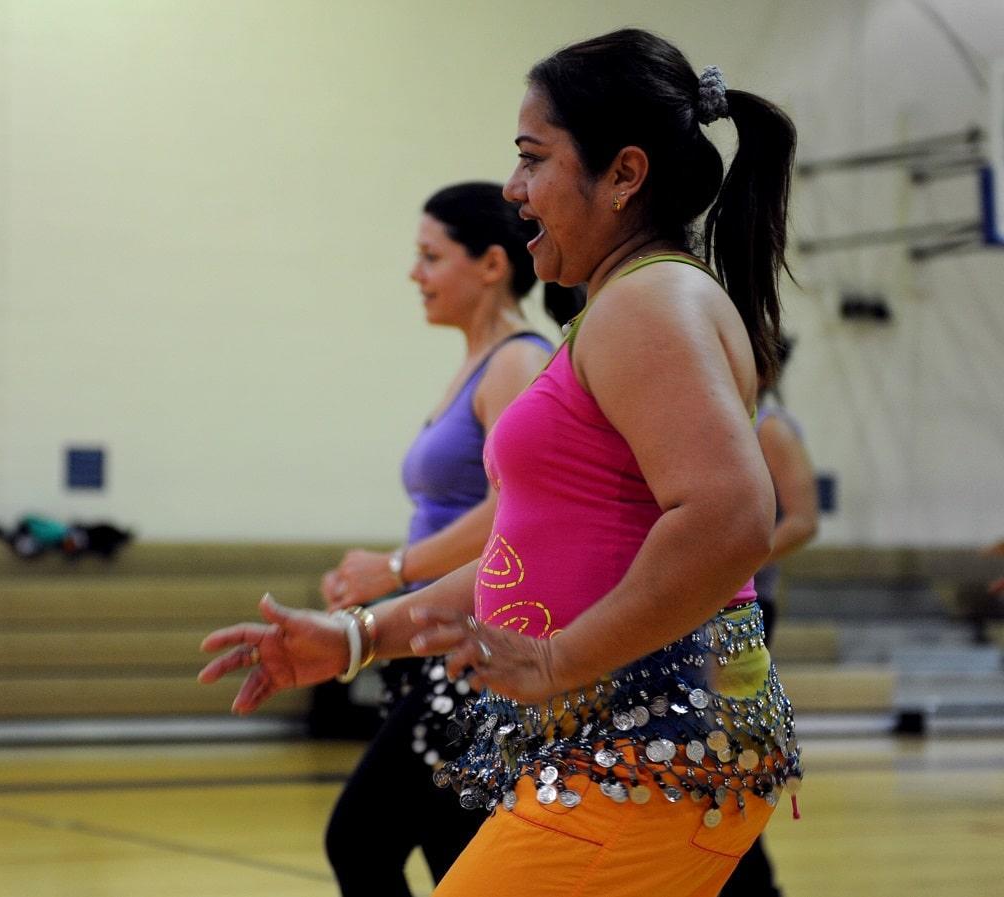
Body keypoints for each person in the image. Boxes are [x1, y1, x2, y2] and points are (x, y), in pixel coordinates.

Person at [201, 28, 801, 897]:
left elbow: (733, 518)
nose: (515, 190)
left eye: (533, 158)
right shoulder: (623, 308)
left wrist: (558, 661)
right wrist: (360, 635)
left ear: (625, 175)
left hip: (646, 755)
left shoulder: (648, 305)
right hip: (635, 753)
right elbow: (529, 550)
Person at [318, 182, 578, 896]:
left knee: (360, 839)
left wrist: (395, 567)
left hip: (469, 650)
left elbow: (514, 511)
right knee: (456, 863)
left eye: (431, 257)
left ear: (492, 264)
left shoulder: (519, 362)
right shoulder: (480, 363)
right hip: (435, 644)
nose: (416, 275)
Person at [720, 339, 818, 897]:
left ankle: (755, 885)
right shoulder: (720, 419)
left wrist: (731, 563)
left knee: (720, 753)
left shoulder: (770, 425)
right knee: (711, 756)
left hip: (747, 610)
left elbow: (802, 520)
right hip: (713, 607)